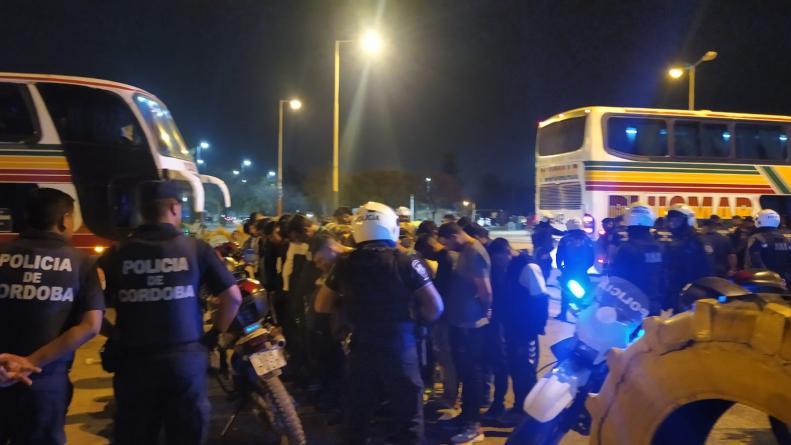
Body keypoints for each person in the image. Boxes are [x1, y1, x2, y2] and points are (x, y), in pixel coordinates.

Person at [98, 181, 242, 445]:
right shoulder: (196, 249)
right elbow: (233, 298)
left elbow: (89, 312)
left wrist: (114, 333)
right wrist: (213, 337)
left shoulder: (115, 253)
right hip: (185, 362)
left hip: (134, 363)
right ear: (175, 208)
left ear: (142, 211)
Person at [315, 202, 443, 445]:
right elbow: (435, 307)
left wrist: (347, 305)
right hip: (400, 347)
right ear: (390, 227)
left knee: (357, 418)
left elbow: (321, 305)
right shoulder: (407, 261)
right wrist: (416, 321)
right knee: (409, 419)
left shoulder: (344, 263)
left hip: (361, 348)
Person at [0, 188, 104, 445]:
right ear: (64, 220)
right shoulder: (81, 262)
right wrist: (30, 362)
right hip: (45, 381)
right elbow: (91, 326)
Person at [437, 222, 492, 443]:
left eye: (447, 243)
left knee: (472, 375)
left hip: (472, 325)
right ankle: (465, 417)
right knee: (465, 374)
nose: (447, 248)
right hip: (462, 322)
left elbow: (485, 290)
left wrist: (486, 310)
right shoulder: (466, 251)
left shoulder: (474, 252)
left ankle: (473, 426)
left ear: (454, 236)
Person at [500, 246, 548, 419]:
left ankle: (528, 413)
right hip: (513, 327)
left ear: (507, 252)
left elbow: (541, 297)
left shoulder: (528, 266)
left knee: (526, 370)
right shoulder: (513, 265)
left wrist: (538, 325)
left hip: (526, 329)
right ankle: (520, 406)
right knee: (516, 369)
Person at [414, 232, 459, 409]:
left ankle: (450, 396)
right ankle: (450, 394)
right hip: (449, 314)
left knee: (446, 357)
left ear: (429, 247)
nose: (427, 258)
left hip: (445, 316)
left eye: (425, 253)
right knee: (446, 357)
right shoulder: (447, 257)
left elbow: (441, 289)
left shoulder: (445, 258)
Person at [609, 204, 665, 314]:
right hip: (653, 304)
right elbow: (664, 276)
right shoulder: (659, 248)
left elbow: (616, 278)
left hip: (630, 304)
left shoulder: (626, 248)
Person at [661, 204, 712, 312]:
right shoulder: (675, 240)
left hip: (691, 293)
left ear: (687, 221)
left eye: (677, 219)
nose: (673, 223)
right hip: (675, 291)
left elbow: (707, 268)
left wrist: (694, 287)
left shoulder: (696, 240)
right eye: (671, 219)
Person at [481, 238, 511, 420]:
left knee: (500, 364)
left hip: (498, 323)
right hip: (499, 322)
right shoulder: (507, 268)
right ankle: (495, 401)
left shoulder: (497, 270)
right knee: (497, 363)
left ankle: (498, 403)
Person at [555, 217, 594, 322]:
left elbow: (559, 255)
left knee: (565, 292)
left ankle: (563, 314)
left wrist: (560, 267)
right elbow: (592, 257)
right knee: (585, 293)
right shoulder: (587, 239)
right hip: (582, 271)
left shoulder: (564, 240)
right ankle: (584, 315)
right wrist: (585, 268)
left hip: (568, 270)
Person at [745, 209, 791, 282]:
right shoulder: (785, 239)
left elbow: (754, 260)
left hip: (764, 280)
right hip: (784, 279)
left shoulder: (757, 238)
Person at [531, 214, 563, 281]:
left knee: (539, 266)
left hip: (538, 251)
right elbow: (559, 233)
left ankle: (540, 280)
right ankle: (543, 281)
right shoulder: (548, 228)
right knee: (546, 266)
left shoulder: (536, 228)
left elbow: (533, 238)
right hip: (544, 251)